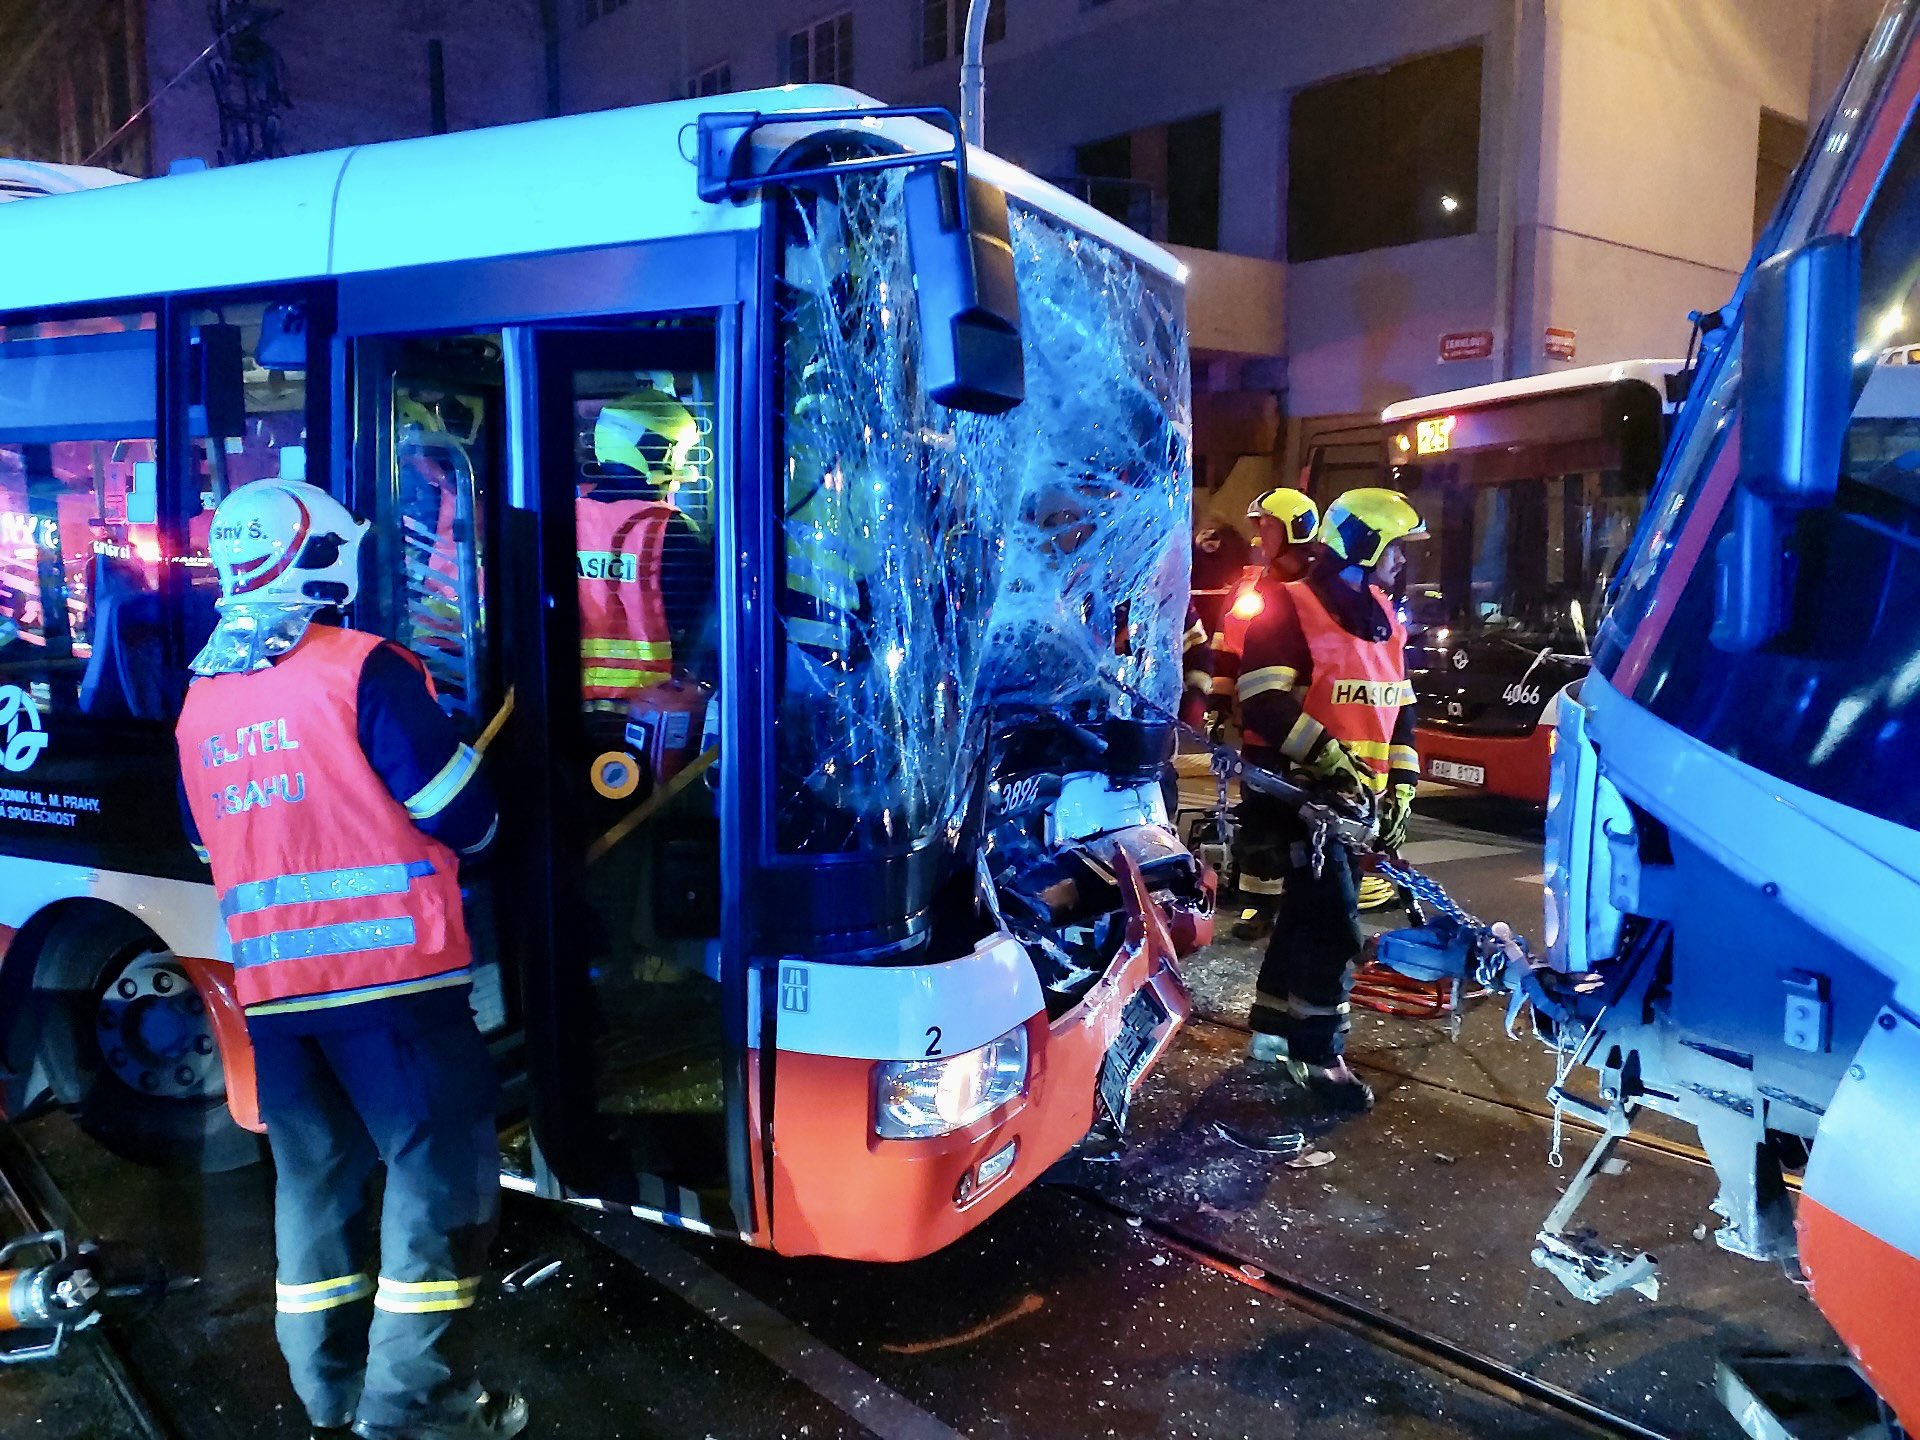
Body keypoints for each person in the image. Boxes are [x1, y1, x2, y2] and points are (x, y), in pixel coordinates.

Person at [172, 478, 524, 1440]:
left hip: (277, 1003)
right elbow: (466, 817)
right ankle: (415, 1409)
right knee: (437, 1190)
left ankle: (327, 1395)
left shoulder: (201, 703)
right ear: (323, 558)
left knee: (315, 1194)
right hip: (396, 995)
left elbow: (211, 848)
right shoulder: (365, 669)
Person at [1233, 487, 1425, 1115]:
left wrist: (1400, 787)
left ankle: (1271, 1028)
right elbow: (1263, 699)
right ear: (1366, 546)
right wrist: (1330, 762)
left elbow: (1400, 716)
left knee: (1305, 915)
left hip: (1348, 802)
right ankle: (1317, 1054)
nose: (1401, 563)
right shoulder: (1287, 608)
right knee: (1337, 922)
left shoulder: (1386, 617)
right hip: (1296, 797)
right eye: (1396, 549)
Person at [1210, 487, 1317, 941]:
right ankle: (1258, 902)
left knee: (1308, 818)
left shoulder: (1319, 590)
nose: (1259, 537)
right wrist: (1216, 707)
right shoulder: (1250, 588)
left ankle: (1304, 902)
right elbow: (1226, 649)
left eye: (1267, 526)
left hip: (1311, 725)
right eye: (1257, 527)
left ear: (1295, 531)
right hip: (1261, 726)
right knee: (1260, 814)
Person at [579, 386, 712, 716]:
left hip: (568, 707)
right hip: (652, 713)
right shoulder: (673, 531)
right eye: (678, 453)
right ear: (655, 451)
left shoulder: (563, 519)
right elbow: (701, 623)